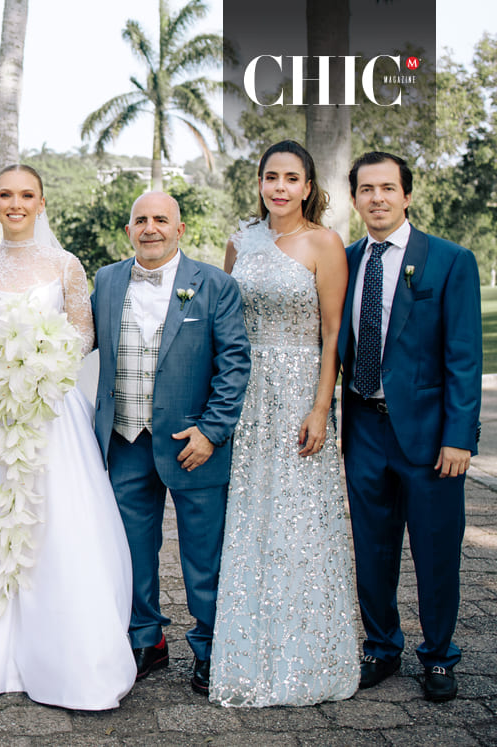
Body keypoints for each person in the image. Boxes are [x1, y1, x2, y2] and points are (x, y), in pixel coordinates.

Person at [0, 165, 135, 709]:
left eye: (26, 195)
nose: (15, 204)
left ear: (41, 202)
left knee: (54, 520)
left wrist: (41, 359)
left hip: (49, 405)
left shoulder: (66, 265)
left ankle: (62, 654)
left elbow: (84, 333)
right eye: (5, 195)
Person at [209, 140, 358, 707]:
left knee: (301, 514)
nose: (279, 187)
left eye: (290, 178)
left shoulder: (324, 243)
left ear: (308, 185)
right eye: (270, 176)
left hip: (300, 391)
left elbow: (331, 334)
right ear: (260, 182)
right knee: (250, 513)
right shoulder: (239, 242)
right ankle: (246, 647)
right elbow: (225, 322)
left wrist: (322, 407)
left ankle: (308, 651)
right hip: (246, 393)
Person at [91, 191, 251, 695]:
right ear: (128, 230)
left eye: (162, 219)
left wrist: (211, 431)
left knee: (204, 558)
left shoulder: (216, 285)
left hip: (193, 444)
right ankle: (146, 641)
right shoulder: (107, 280)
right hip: (126, 441)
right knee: (133, 551)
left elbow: (235, 365)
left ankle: (209, 648)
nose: (151, 228)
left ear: (179, 229)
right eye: (141, 219)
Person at [338, 151, 482, 703]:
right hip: (365, 429)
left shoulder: (449, 260)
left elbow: (464, 356)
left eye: (387, 188)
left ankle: (440, 656)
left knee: (436, 549)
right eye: (366, 189)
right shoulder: (344, 260)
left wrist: (458, 436)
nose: (377, 198)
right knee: (373, 549)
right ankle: (381, 646)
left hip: (429, 438)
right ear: (354, 199)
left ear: (407, 195)